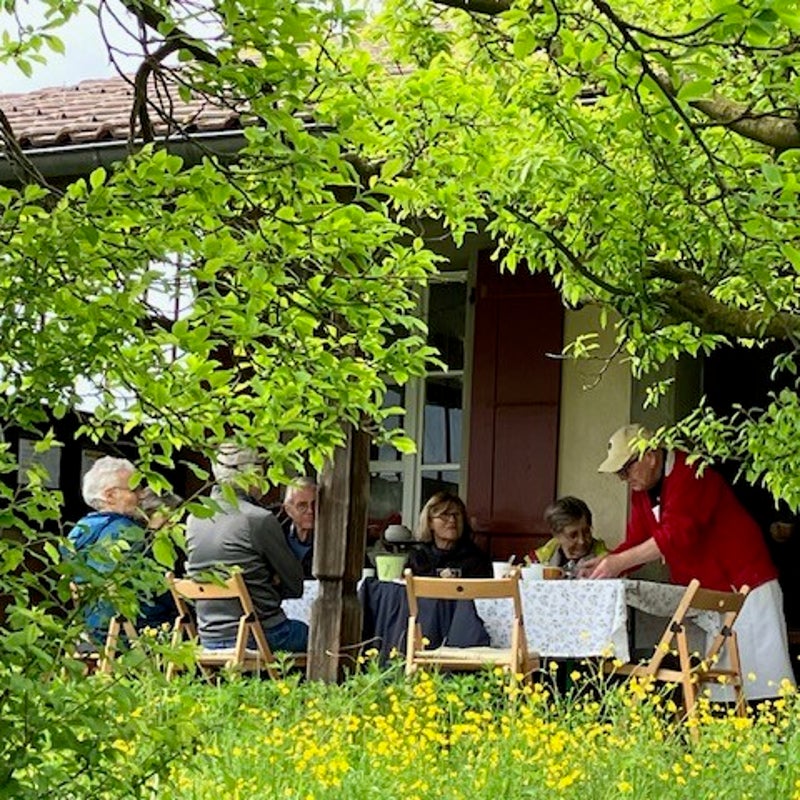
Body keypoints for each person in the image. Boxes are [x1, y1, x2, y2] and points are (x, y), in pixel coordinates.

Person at [586, 423, 794, 698]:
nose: (623, 478)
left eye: (626, 469)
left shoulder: (690, 471)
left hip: (744, 581)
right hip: (712, 590)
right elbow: (637, 541)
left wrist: (618, 562)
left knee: (766, 679)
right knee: (723, 684)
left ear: (649, 456)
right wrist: (606, 562)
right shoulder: (642, 492)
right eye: (619, 472)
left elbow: (677, 534)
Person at [185, 443, 307, 653]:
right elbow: (295, 586)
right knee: (324, 635)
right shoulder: (257, 519)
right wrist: (270, 581)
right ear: (252, 474)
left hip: (209, 636)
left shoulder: (194, 519)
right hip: (260, 634)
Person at [66, 456, 176, 642]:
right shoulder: (127, 532)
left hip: (90, 629)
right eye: (134, 489)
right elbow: (157, 587)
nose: (142, 495)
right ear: (110, 495)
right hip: (128, 629)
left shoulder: (79, 531)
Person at [404, 491, 492, 578]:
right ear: (430, 522)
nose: (452, 520)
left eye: (456, 515)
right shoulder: (418, 557)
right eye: (444, 514)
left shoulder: (475, 559)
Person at [534, 496, 608, 578]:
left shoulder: (605, 562)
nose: (582, 541)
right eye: (573, 535)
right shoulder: (539, 562)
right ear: (556, 535)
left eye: (586, 532)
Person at [278, 477, 317, 579]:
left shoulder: (331, 538)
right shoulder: (277, 535)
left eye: (314, 504)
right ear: (288, 510)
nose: (310, 511)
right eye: (302, 506)